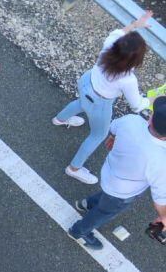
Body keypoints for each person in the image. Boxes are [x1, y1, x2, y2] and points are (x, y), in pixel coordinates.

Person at [53, 10, 153, 184]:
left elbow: (122, 32)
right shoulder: (128, 79)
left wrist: (136, 24)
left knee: (80, 102)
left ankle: (60, 119)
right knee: (98, 134)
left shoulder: (110, 43)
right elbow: (137, 105)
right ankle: (74, 168)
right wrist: (151, 100)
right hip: (99, 102)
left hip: (86, 82)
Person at [66, 96, 166, 251]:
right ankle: (78, 231)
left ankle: (87, 204)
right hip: (122, 191)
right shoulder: (160, 160)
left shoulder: (132, 121)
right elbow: (160, 198)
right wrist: (163, 217)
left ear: (151, 118)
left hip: (109, 172)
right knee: (104, 212)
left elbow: (113, 128)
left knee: (105, 196)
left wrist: (112, 137)